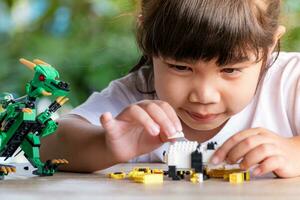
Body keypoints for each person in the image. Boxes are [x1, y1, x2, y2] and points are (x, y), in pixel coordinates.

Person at [40, 0, 300, 178]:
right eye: (180, 67)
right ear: (150, 40)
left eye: (230, 70)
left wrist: (294, 151)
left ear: (268, 47)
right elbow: (46, 142)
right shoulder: (135, 100)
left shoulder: (290, 81)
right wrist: (105, 145)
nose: (204, 96)